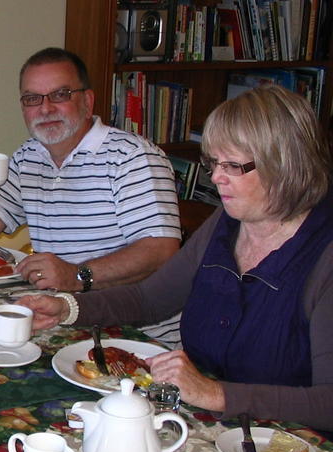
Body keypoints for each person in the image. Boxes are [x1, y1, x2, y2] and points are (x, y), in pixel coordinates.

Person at [22, 85, 333, 427]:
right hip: (211, 427)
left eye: (232, 165)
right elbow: (151, 299)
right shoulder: (227, 223)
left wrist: (215, 393)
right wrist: (68, 307)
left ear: (285, 165)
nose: (215, 178)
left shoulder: (323, 256)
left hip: (294, 451)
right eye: (213, 162)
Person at [0, 47, 182, 342]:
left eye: (60, 95)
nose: (45, 109)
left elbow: (161, 252)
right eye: (33, 99)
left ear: (87, 101)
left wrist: (76, 275)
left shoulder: (133, 158)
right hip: (64, 320)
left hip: (136, 334)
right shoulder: (28, 157)